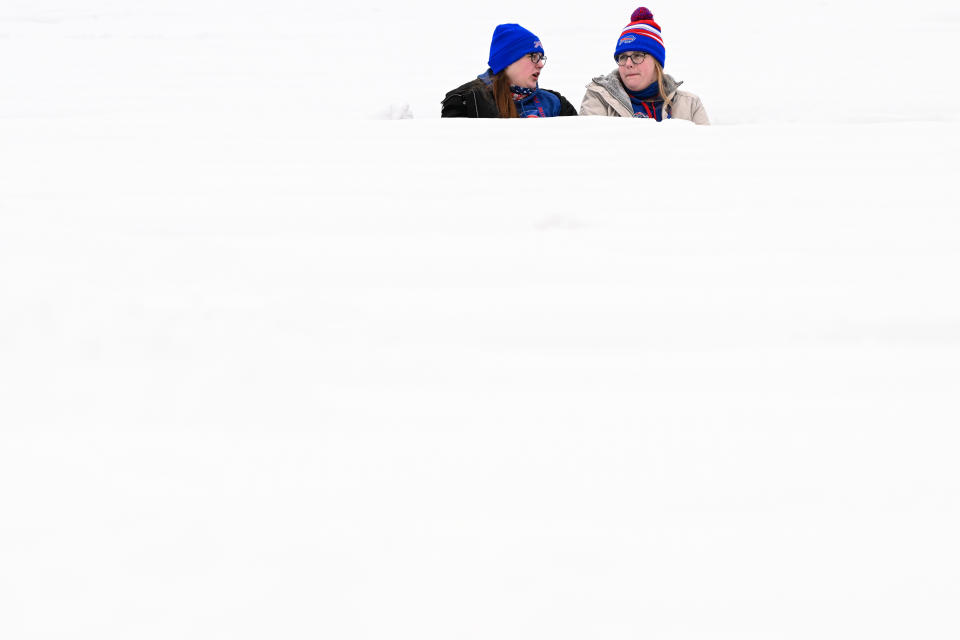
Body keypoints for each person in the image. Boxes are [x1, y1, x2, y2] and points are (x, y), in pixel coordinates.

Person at [580, 7, 709, 124]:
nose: (629, 64)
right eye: (623, 57)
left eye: (637, 55)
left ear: (656, 61)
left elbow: (707, 148)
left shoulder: (689, 105)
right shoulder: (599, 99)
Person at [442, 24, 578, 118]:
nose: (541, 64)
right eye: (533, 57)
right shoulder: (466, 100)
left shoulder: (554, 103)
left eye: (541, 58)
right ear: (508, 61)